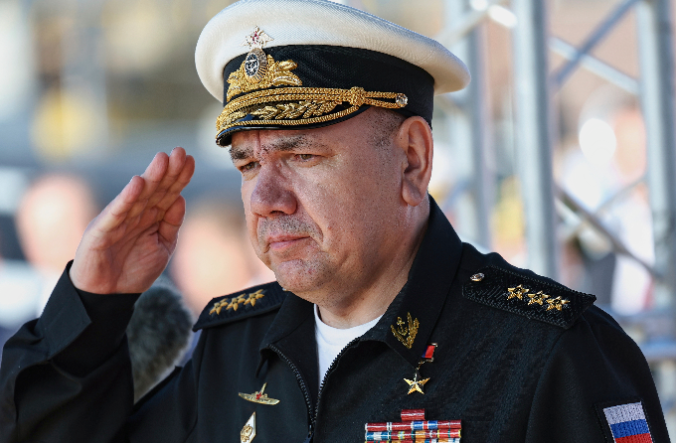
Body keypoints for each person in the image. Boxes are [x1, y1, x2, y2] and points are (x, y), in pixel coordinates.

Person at [0, 0, 669, 442]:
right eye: (246, 164)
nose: (266, 197)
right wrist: (89, 308)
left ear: (412, 160)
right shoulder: (235, 348)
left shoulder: (550, 353)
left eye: (302, 155)